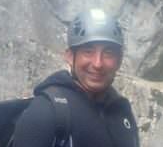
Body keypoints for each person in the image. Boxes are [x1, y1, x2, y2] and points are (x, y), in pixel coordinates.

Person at [11, 8, 140, 147]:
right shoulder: (45, 112)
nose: (98, 63)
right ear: (70, 56)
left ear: (119, 60)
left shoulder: (121, 110)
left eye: (108, 53)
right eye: (88, 51)